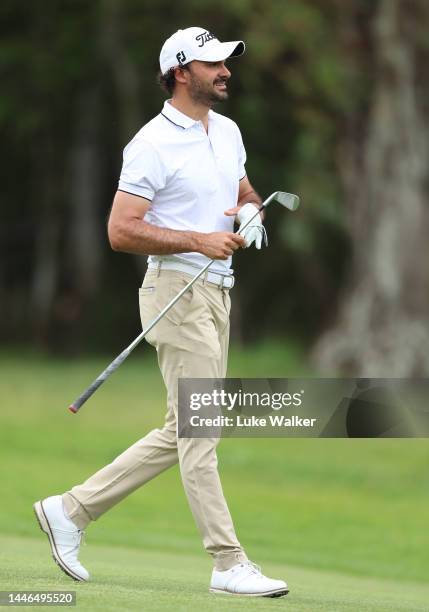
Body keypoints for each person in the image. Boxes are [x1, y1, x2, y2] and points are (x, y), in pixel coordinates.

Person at [33, 26, 288, 598]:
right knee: (202, 429)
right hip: (176, 291)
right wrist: (199, 240)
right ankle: (228, 562)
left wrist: (251, 214)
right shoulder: (150, 143)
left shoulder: (226, 130)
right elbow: (121, 231)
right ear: (181, 72)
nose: (226, 71)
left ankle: (68, 511)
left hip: (217, 290)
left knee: (182, 428)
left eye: (226, 63)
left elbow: (245, 191)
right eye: (213, 64)